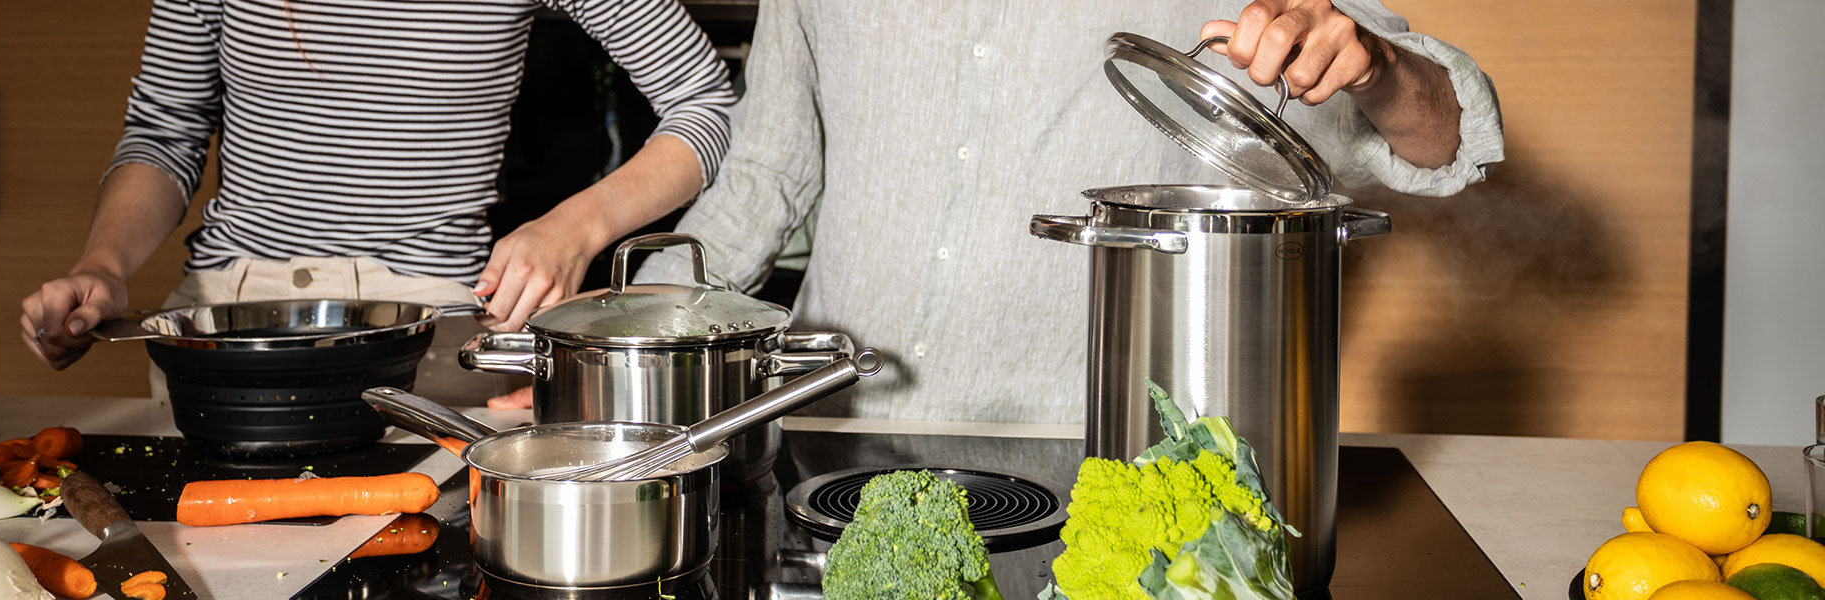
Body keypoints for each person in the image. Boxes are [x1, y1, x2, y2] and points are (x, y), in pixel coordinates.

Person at [572, 0, 1503, 423]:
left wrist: (1379, 67)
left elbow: (1443, 141)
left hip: (1090, 450)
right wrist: (606, 364)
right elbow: (762, 183)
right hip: (830, 435)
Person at [18, 0, 735, 403]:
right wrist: (105, 266)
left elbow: (708, 105)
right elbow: (162, 133)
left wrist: (576, 228)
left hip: (434, 343)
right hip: (229, 335)